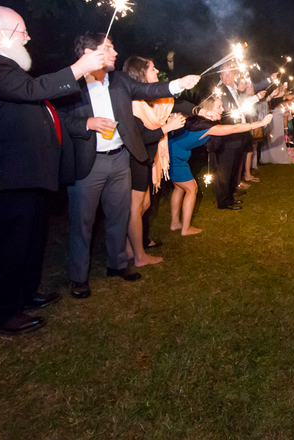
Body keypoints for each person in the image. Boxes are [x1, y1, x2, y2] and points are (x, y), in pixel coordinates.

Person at [0, 6, 106, 335]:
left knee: (27, 240)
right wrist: (80, 68)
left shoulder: (4, 63)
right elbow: (31, 91)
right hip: (0, 174)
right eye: (21, 31)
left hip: (22, 173)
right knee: (2, 246)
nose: (28, 37)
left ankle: (22, 296)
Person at [56, 33, 200, 300]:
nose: (115, 52)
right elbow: (60, 118)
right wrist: (86, 124)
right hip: (89, 162)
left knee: (119, 215)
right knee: (82, 222)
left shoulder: (120, 80)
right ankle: (78, 277)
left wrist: (178, 83)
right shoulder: (71, 82)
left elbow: (149, 90)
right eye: (109, 48)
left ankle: (118, 264)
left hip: (121, 157)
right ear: (89, 52)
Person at [168, 96, 272, 235]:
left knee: (179, 188)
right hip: (175, 157)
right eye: (219, 107)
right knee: (192, 189)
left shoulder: (198, 121)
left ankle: (175, 223)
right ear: (209, 109)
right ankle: (186, 229)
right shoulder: (207, 127)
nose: (222, 110)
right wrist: (260, 123)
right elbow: (234, 128)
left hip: (174, 153)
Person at [122, 56, 189, 267]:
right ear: (141, 73)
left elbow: (171, 103)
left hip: (145, 159)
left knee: (145, 204)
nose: (156, 71)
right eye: (152, 69)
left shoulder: (145, 102)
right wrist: (167, 128)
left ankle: (129, 247)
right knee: (135, 208)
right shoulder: (133, 104)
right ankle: (139, 256)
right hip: (135, 159)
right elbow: (139, 137)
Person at [210, 65, 269, 210]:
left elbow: (242, 106)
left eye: (229, 74)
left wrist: (257, 97)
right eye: (224, 74)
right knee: (225, 170)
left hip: (239, 134)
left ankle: (230, 197)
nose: (227, 77)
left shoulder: (234, 91)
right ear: (221, 77)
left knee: (235, 168)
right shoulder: (220, 93)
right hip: (228, 135)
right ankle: (223, 201)